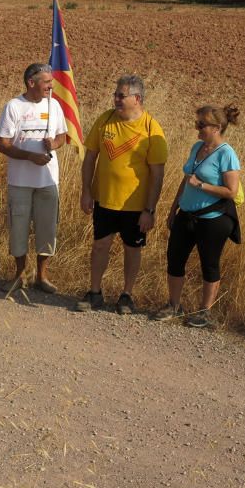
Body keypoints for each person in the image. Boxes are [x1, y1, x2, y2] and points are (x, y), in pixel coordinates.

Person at [78, 75, 168, 314]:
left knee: (132, 249)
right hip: (104, 199)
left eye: (121, 95)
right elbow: (89, 158)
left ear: (137, 99)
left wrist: (149, 209)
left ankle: (126, 296)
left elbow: (157, 175)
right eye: (115, 95)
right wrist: (86, 191)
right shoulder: (105, 120)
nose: (116, 99)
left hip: (136, 206)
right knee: (100, 245)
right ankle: (94, 292)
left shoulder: (151, 128)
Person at [155, 105, 241, 328]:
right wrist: (174, 208)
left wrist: (201, 185)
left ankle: (205, 312)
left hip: (213, 218)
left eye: (201, 124)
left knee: (209, 264)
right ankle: (173, 305)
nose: (197, 128)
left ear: (217, 127)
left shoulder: (226, 154)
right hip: (186, 214)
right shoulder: (197, 147)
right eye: (197, 123)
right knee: (175, 259)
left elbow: (231, 191)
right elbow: (186, 179)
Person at [0, 63, 68, 295]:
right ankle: (19, 275)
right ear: (31, 83)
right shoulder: (14, 107)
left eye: (51, 83)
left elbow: (62, 136)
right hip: (20, 181)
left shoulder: (53, 105)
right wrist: (29, 156)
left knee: (47, 228)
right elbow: (2, 144)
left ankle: (42, 276)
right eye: (47, 82)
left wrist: (53, 144)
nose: (51, 87)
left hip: (48, 181)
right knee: (19, 228)